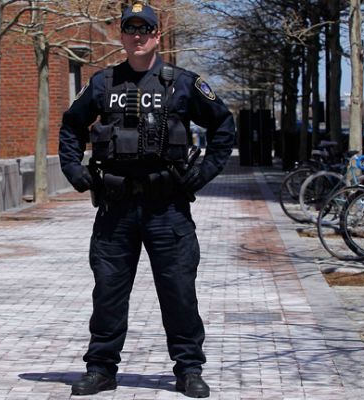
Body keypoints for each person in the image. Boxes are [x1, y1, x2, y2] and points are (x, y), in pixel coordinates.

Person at [58, 2, 235, 398]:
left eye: (146, 30)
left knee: (178, 292)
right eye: (130, 29)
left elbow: (224, 125)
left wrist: (203, 173)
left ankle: (189, 369)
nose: (138, 36)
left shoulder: (183, 83)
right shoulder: (102, 84)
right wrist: (75, 172)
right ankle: (101, 369)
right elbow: (70, 127)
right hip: (115, 208)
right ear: (121, 35)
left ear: (157, 35)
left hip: (166, 208)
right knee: (108, 291)